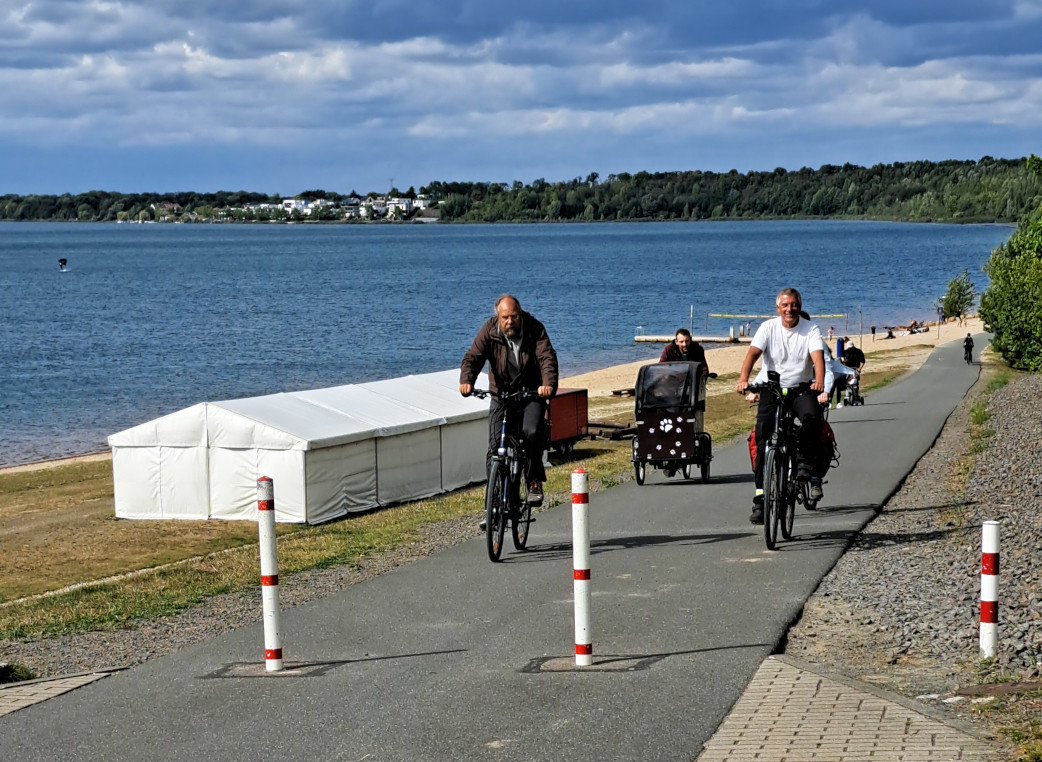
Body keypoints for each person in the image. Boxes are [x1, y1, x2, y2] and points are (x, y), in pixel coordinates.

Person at [460, 294, 558, 521]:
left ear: (520, 314)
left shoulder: (535, 329)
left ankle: (533, 480)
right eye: (505, 317)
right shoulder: (489, 330)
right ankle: (492, 506)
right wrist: (467, 380)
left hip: (531, 393)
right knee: (495, 448)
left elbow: (547, 358)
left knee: (531, 432)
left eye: (514, 316)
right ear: (498, 317)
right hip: (501, 395)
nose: (510, 321)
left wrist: (547, 384)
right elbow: (473, 357)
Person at [736, 288, 826, 524]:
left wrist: (819, 382)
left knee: (812, 418)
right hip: (772, 389)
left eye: (794, 305)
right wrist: (743, 378)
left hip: (801, 388)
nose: (790, 309)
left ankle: (804, 462)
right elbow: (753, 353)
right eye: (785, 305)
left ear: (799, 305)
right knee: (763, 440)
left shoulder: (810, 329)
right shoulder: (768, 328)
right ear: (778, 308)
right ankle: (760, 500)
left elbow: (817, 357)